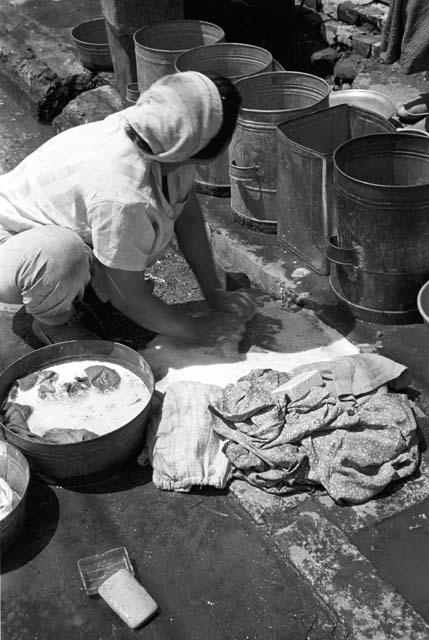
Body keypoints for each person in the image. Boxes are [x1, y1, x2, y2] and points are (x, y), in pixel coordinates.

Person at [0, 71, 256, 348]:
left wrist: (214, 290)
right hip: (11, 242)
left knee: (122, 252)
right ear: (212, 148)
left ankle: (88, 291)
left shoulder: (165, 139)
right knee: (61, 256)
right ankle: (55, 324)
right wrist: (198, 329)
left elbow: (189, 219)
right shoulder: (123, 191)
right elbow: (128, 298)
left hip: (53, 224)